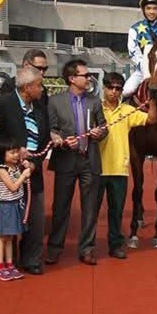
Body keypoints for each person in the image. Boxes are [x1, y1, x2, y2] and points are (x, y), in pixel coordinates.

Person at [0, 67, 49, 274]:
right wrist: (13, 151)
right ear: (27, 87)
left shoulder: (40, 107)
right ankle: (7, 262)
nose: (42, 89)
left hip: (33, 170)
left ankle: (31, 259)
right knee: (8, 220)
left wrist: (33, 163)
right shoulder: (1, 104)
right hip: (8, 173)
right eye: (39, 85)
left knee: (36, 219)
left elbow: (44, 139)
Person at [46, 59, 107, 266]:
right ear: (72, 79)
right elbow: (52, 129)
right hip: (65, 161)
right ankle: (54, 248)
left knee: (90, 208)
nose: (88, 78)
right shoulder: (55, 101)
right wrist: (60, 140)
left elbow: (104, 126)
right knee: (61, 207)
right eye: (85, 75)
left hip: (89, 161)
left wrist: (99, 132)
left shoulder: (94, 101)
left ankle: (87, 249)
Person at [97, 72, 154, 260]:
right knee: (91, 212)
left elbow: (150, 119)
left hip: (119, 170)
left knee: (116, 212)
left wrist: (155, 98)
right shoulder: (95, 108)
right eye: (110, 87)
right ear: (104, 88)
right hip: (95, 169)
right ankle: (88, 246)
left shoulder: (127, 111)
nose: (114, 91)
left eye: (118, 88)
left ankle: (115, 245)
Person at [0, 139, 31, 281]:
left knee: (10, 237)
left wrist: (26, 167)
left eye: (16, 152)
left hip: (16, 204)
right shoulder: (1, 170)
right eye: (12, 152)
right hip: (6, 206)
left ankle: (10, 264)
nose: (15, 155)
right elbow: (13, 187)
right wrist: (23, 175)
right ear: (2, 154)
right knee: (2, 237)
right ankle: (0, 266)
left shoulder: (16, 167)